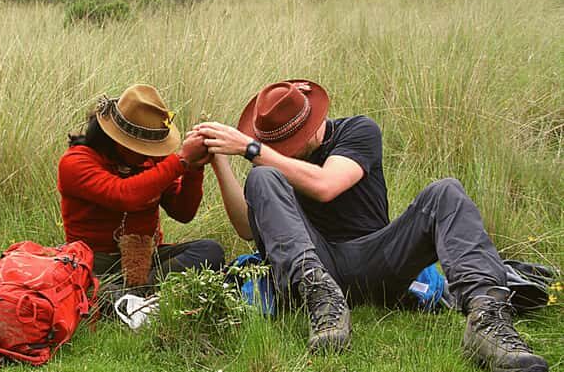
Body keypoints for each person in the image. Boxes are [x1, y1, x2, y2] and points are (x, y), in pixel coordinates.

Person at [194, 80, 548, 372]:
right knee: (263, 178)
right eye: (279, 144)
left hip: (378, 258)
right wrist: (220, 160)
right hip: (316, 267)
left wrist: (254, 150)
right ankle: (323, 304)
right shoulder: (269, 163)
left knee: (446, 192)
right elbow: (246, 228)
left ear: (315, 122)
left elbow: (325, 185)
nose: (286, 150)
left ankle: (486, 321)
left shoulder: (358, 130)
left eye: (292, 142)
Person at [58, 84, 225, 293]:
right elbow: (124, 195)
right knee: (81, 284)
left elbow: (183, 212)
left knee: (209, 251)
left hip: (146, 258)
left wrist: (194, 168)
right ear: (118, 141)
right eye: (144, 148)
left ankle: (127, 296)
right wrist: (180, 161)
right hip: (94, 262)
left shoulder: (153, 161)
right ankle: (127, 295)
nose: (150, 155)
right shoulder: (76, 162)